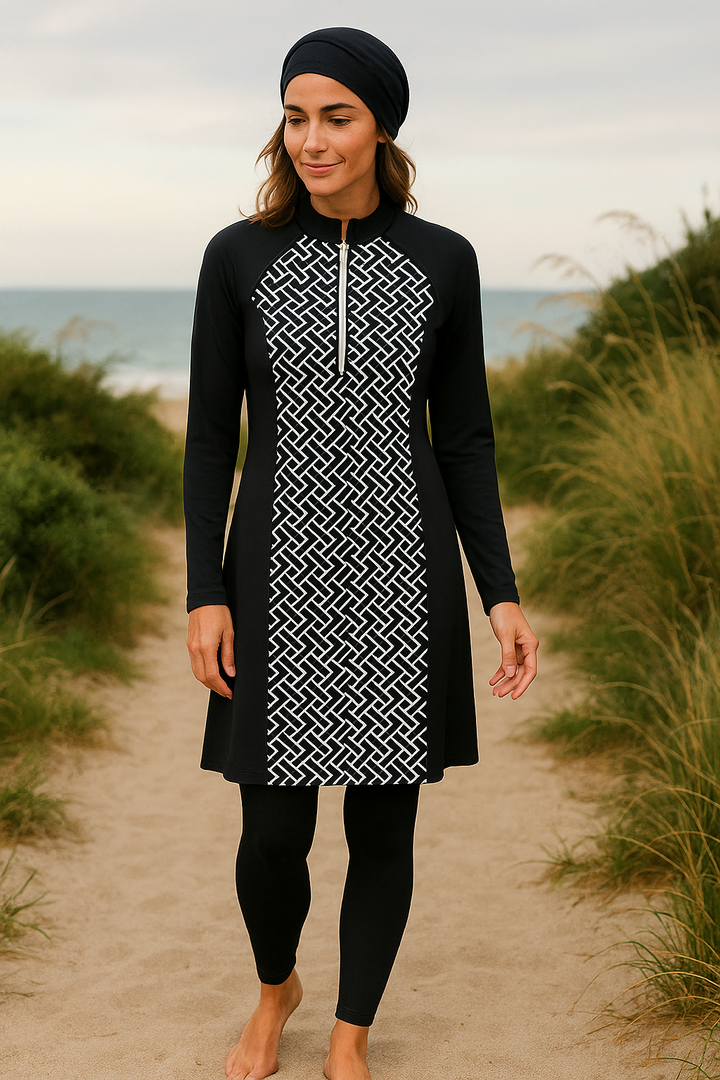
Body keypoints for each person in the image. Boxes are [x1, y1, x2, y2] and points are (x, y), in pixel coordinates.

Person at [184, 26, 539, 1080]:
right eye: (296, 117)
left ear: (381, 125)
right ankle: (274, 987)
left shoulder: (443, 260)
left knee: (385, 831)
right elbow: (211, 438)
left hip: (403, 574)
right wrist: (206, 590)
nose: (311, 139)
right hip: (275, 578)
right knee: (271, 838)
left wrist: (500, 597)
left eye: (336, 116)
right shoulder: (237, 256)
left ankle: (349, 1033)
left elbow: (464, 437)